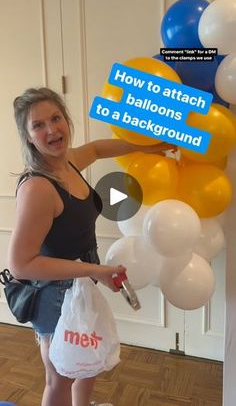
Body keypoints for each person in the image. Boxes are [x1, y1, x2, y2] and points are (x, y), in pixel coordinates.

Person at [7, 87, 176, 406]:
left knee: (87, 361)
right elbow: (20, 264)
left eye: (56, 118)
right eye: (38, 125)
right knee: (59, 377)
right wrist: (95, 270)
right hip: (54, 294)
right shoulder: (39, 187)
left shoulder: (67, 162)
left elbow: (98, 148)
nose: (52, 130)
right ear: (28, 137)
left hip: (83, 281)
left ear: (67, 119)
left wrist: (152, 146)